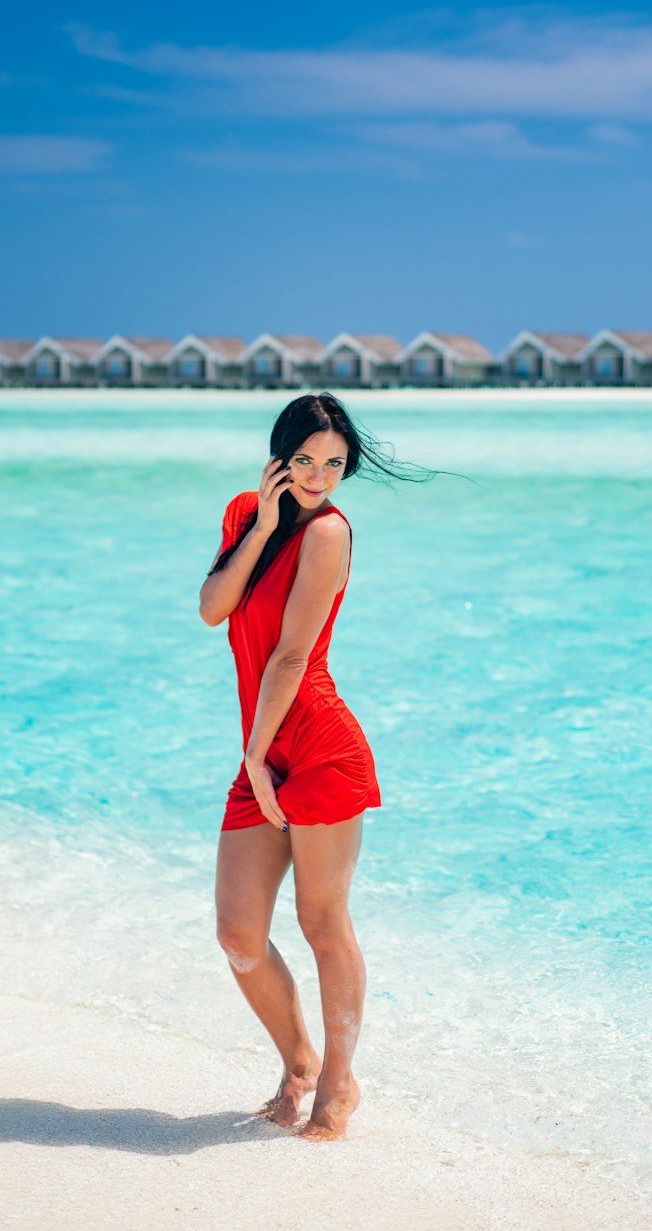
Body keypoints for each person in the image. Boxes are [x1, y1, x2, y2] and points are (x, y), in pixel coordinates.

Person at [199, 391, 448, 1141]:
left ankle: (340, 1083)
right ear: (279, 457)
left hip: (316, 746)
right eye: (305, 461)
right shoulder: (251, 512)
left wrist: (256, 754)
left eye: (334, 464)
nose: (319, 477)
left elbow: (291, 655)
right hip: (264, 752)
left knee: (320, 921)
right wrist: (264, 527)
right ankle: (298, 1061)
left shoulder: (332, 534)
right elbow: (214, 607)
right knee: (239, 933)